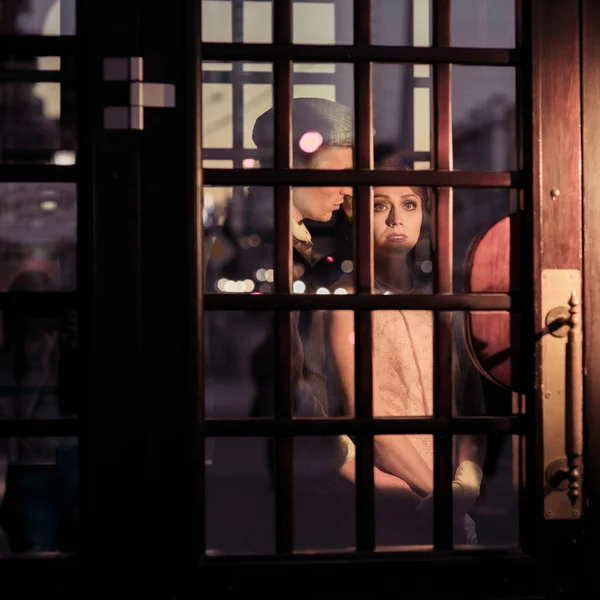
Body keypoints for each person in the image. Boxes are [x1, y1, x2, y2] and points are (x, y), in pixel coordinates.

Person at [327, 152, 487, 545]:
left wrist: (467, 477)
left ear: (423, 214)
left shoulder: (441, 302)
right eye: (380, 205)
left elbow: (470, 399)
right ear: (353, 212)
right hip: (387, 497)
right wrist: (442, 497)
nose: (396, 218)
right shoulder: (345, 305)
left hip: (449, 499)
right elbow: (370, 416)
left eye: (410, 204)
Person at [0, 270, 79, 553]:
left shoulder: (68, 351)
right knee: (35, 548)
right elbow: (14, 419)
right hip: (31, 465)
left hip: (71, 460)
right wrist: (37, 369)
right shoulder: (10, 362)